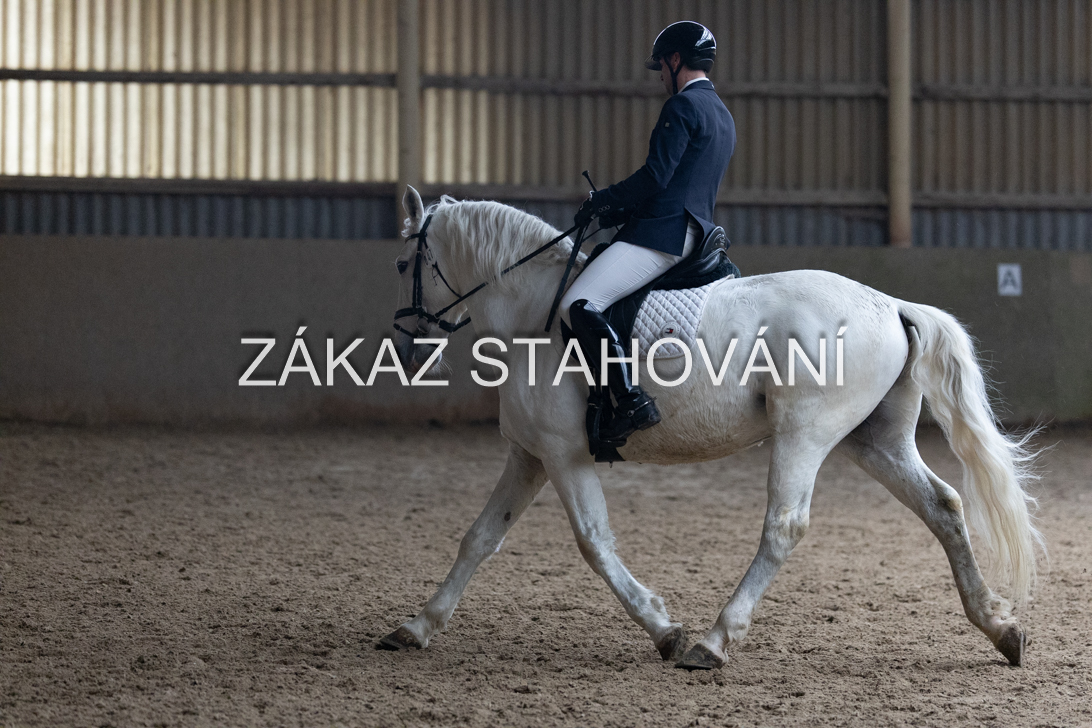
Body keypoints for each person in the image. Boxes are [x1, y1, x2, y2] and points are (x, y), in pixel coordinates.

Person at [560, 20, 736, 448]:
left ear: (675, 59)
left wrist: (602, 200)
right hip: (697, 231)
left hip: (663, 235)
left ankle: (630, 400)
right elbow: (681, 183)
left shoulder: (682, 107)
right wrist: (620, 210)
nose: (660, 76)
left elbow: (655, 177)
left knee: (578, 305)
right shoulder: (722, 113)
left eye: (661, 66)